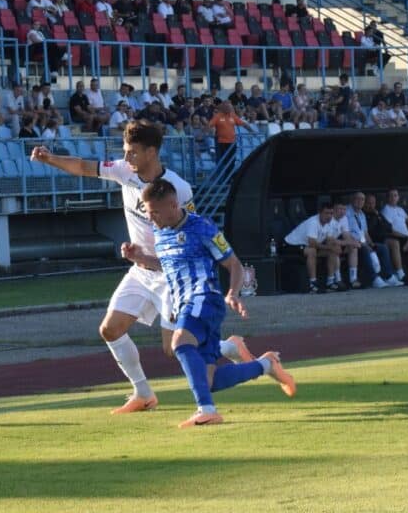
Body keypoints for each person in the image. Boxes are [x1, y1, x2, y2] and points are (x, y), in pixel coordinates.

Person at [29, 121, 253, 414]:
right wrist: (51, 159)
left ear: (152, 151)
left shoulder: (179, 188)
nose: (128, 158)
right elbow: (84, 166)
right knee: (110, 329)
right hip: (139, 270)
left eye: (133, 152)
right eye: (125, 152)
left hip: (171, 275)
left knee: (173, 349)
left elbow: (194, 231)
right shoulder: (123, 170)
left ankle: (227, 348)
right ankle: (143, 392)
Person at [123, 178, 295, 428]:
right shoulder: (160, 231)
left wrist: (233, 293)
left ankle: (206, 410)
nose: (150, 219)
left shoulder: (202, 227)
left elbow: (233, 264)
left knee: (179, 343)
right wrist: (140, 258)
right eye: (147, 213)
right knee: (208, 381)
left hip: (204, 298)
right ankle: (267, 364)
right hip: (184, 304)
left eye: (153, 213)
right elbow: (169, 266)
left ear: (173, 205)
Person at [283, 202, 342, 293]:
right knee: (312, 251)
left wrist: (335, 246)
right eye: (326, 213)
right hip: (291, 245)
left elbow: (330, 240)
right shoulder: (313, 222)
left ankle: (330, 282)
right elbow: (312, 243)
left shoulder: (329, 223)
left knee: (332, 251)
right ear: (320, 213)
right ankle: (312, 284)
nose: (329, 216)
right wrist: (329, 247)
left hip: (308, 245)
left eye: (331, 213)